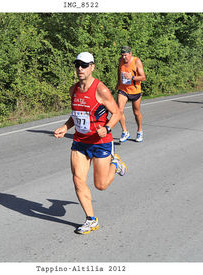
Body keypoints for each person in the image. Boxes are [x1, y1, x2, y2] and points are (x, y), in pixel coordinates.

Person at [54, 52, 127, 235]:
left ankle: (115, 163)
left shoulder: (100, 89)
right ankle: (91, 220)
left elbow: (117, 113)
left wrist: (108, 128)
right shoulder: (73, 90)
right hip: (80, 141)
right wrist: (65, 127)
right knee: (78, 180)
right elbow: (76, 115)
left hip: (101, 141)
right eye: (77, 64)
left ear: (92, 67)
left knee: (100, 185)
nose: (80, 68)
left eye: (84, 65)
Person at [115, 46, 146, 142]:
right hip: (123, 89)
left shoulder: (137, 61)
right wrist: (118, 82)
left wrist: (132, 77)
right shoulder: (120, 60)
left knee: (136, 112)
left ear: (130, 53)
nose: (124, 58)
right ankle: (125, 131)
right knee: (119, 110)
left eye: (125, 55)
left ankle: (139, 131)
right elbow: (119, 71)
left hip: (135, 90)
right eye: (122, 55)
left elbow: (143, 77)